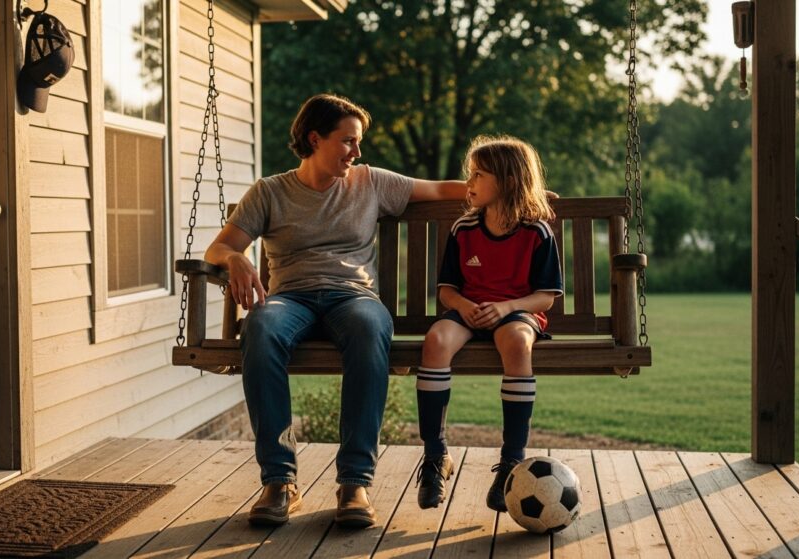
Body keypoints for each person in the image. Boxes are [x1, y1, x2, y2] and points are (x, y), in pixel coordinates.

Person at [204, 93, 467, 528]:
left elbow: (439, 190)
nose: (357, 151)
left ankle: (354, 483)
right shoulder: (270, 191)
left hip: (354, 298)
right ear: (315, 138)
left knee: (369, 329)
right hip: (291, 299)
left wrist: (515, 192)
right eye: (347, 141)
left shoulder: (371, 182)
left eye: (358, 142)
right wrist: (234, 258)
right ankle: (279, 481)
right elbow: (221, 246)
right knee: (261, 328)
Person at [413, 135, 563, 512]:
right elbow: (447, 290)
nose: (470, 183)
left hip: (517, 311)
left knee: (516, 341)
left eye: (478, 174)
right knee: (435, 341)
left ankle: (512, 461)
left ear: (508, 181)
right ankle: (435, 457)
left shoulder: (537, 232)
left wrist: (507, 307)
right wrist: (463, 306)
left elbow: (546, 296)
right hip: (468, 311)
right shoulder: (464, 228)